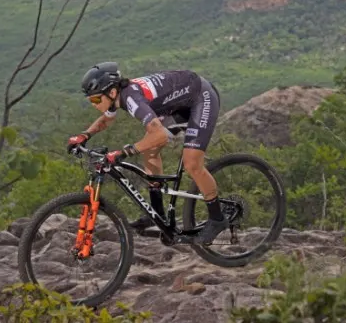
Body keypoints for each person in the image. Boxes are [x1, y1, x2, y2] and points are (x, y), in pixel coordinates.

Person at [67, 62, 228, 244]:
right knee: (150, 151)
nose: (93, 104)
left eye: (95, 100)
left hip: (201, 97)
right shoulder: (116, 96)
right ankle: (157, 214)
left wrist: (126, 151)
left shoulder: (131, 99)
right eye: (90, 101)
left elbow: (159, 135)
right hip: (180, 104)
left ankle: (217, 218)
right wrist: (84, 135)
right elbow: (105, 121)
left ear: (111, 93)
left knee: (192, 163)